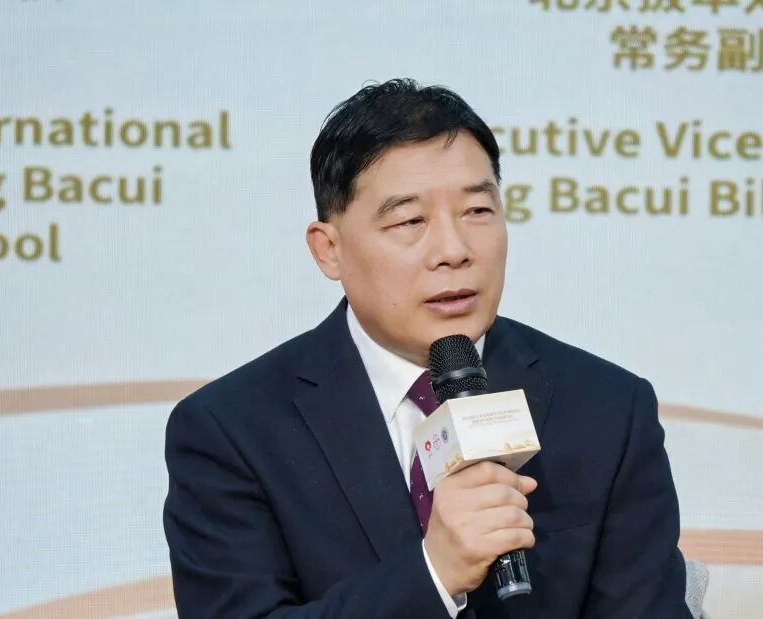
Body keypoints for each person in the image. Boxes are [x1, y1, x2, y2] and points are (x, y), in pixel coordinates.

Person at [163, 78, 689, 618]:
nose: (454, 251)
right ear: (329, 250)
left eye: (477, 211)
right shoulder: (230, 430)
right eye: (410, 221)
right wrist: (433, 573)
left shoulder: (608, 408)